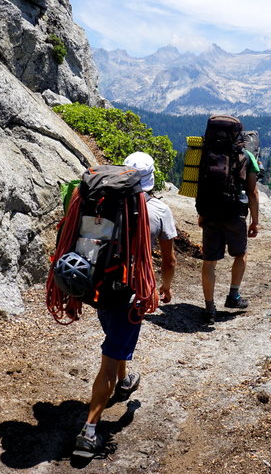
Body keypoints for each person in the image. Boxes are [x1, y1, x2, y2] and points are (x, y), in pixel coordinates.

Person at [74, 152, 177, 457]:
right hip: (129, 296)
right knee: (111, 353)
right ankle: (89, 432)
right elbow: (169, 259)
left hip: (98, 287)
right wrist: (166, 286)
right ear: (151, 178)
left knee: (115, 339)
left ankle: (124, 380)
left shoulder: (101, 203)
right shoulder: (158, 210)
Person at [198, 144, 260, 325]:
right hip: (235, 214)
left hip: (210, 213)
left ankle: (209, 309)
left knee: (209, 261)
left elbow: (203, 187)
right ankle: (233, 296)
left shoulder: (211, 153)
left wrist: (201, 213)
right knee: (240, 254)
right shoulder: (246, 156)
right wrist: (255, 221)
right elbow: (253, 191)